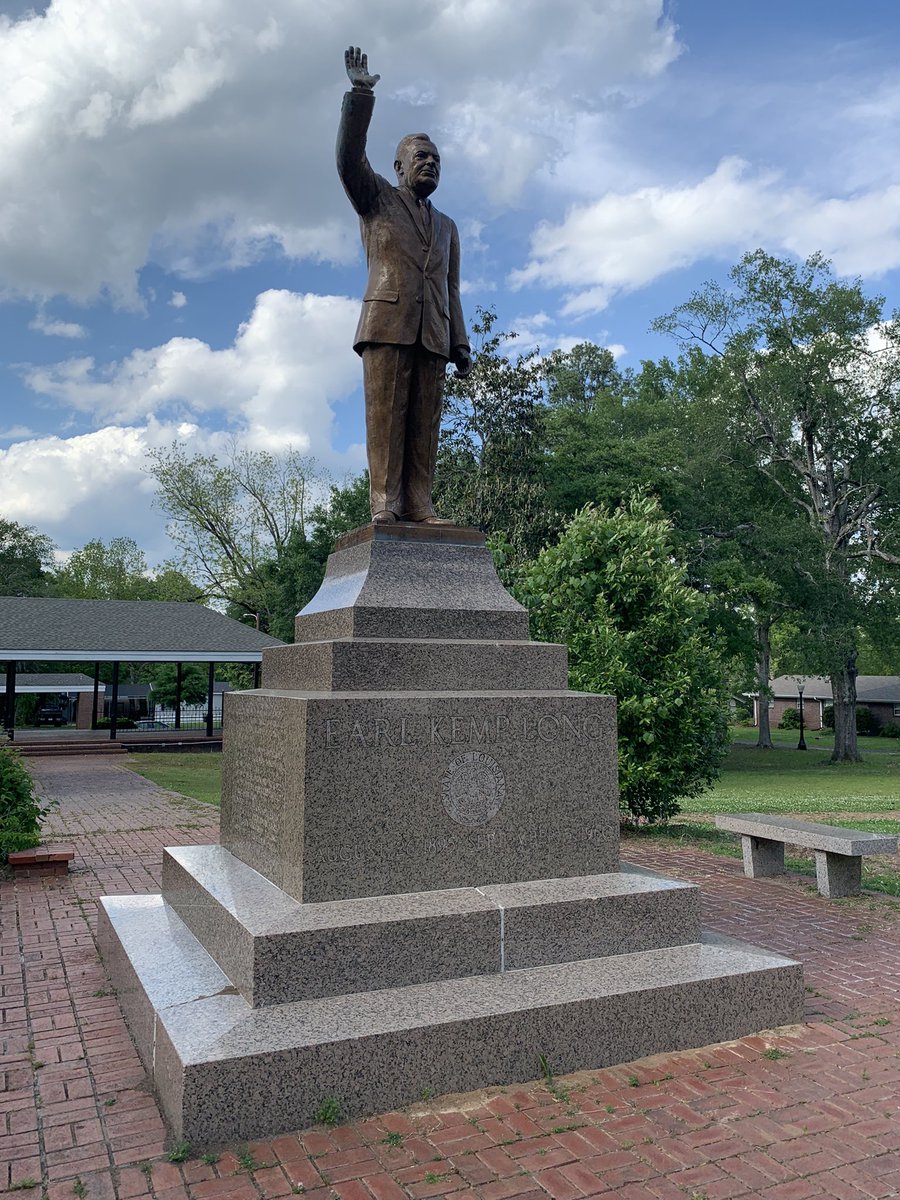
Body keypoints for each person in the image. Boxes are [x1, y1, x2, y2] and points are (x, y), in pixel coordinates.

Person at [337, 46, 471, 524]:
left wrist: (461, 342)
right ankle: (385, 503)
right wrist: (359, 96)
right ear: (398, 167)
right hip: (387, 320)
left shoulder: (449, 226)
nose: (431, 164)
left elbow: (451, 288)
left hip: (432, 333)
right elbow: (349, 158)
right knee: (386, 420)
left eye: (436, 158)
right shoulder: (376, 198)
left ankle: (419, 502)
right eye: (421, 157)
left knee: (424, 427)